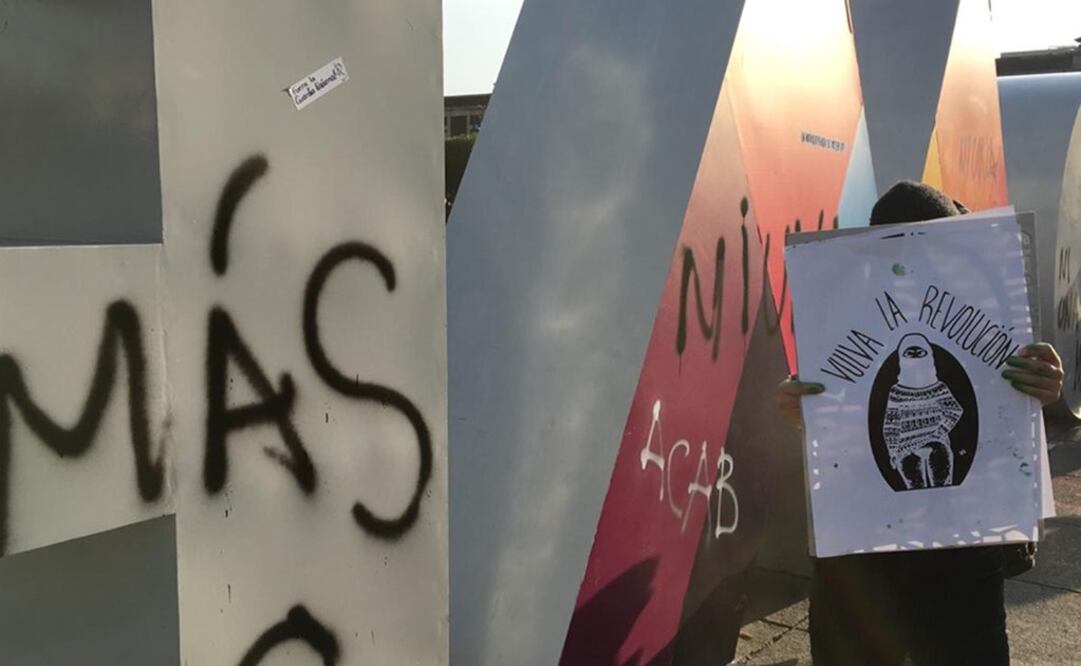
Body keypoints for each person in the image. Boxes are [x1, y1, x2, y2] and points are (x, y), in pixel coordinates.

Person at [776, 181, 1065, 665]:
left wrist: (1041, 387)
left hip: (962, 551)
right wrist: (799, 403)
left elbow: (1006, 408)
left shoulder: (990, 303)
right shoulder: (845, 305)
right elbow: (836, 398)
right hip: (862, 554)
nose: (914, 267)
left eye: (931, 251)